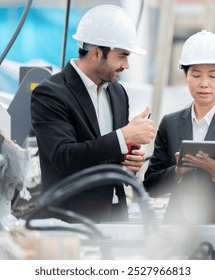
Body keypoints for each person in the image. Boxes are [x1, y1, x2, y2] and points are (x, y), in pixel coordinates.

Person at [30, 5, 155, 223]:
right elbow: (64, 157)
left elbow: (108, 152)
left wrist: (128, 161)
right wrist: (124, 136)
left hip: (116, 215)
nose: (127, 65)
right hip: (70, 220)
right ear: (96, 53)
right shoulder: (50, 93)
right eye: (122, 56)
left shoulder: (118, 93)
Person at [143, 30, 215, 225]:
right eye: (196, 75)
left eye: (213, 75)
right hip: (177, 232)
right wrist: (177, 172)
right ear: (185, 75)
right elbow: (150, 186)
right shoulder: (169, 124)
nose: (204, 84)